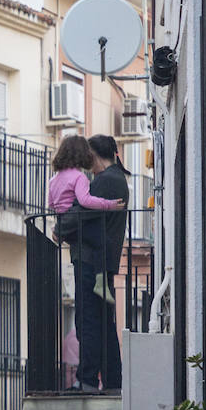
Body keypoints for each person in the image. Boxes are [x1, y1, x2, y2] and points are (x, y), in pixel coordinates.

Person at [73, 135, 131, 392]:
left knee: (88, 320)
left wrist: (59, 228)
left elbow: (78, 214)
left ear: (94, 155)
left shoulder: (104, 182)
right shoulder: (117, 180)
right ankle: (112, 382)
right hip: (104, 264)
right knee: (104, 323)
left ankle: (86, 380)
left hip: (91, 263)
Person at [49, 135, 126, 214]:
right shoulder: (79, 177)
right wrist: (109, 205)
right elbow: (85, 200)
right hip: (76, 221)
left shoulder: (53, 180)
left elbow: (51, 204)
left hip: (62, 221)